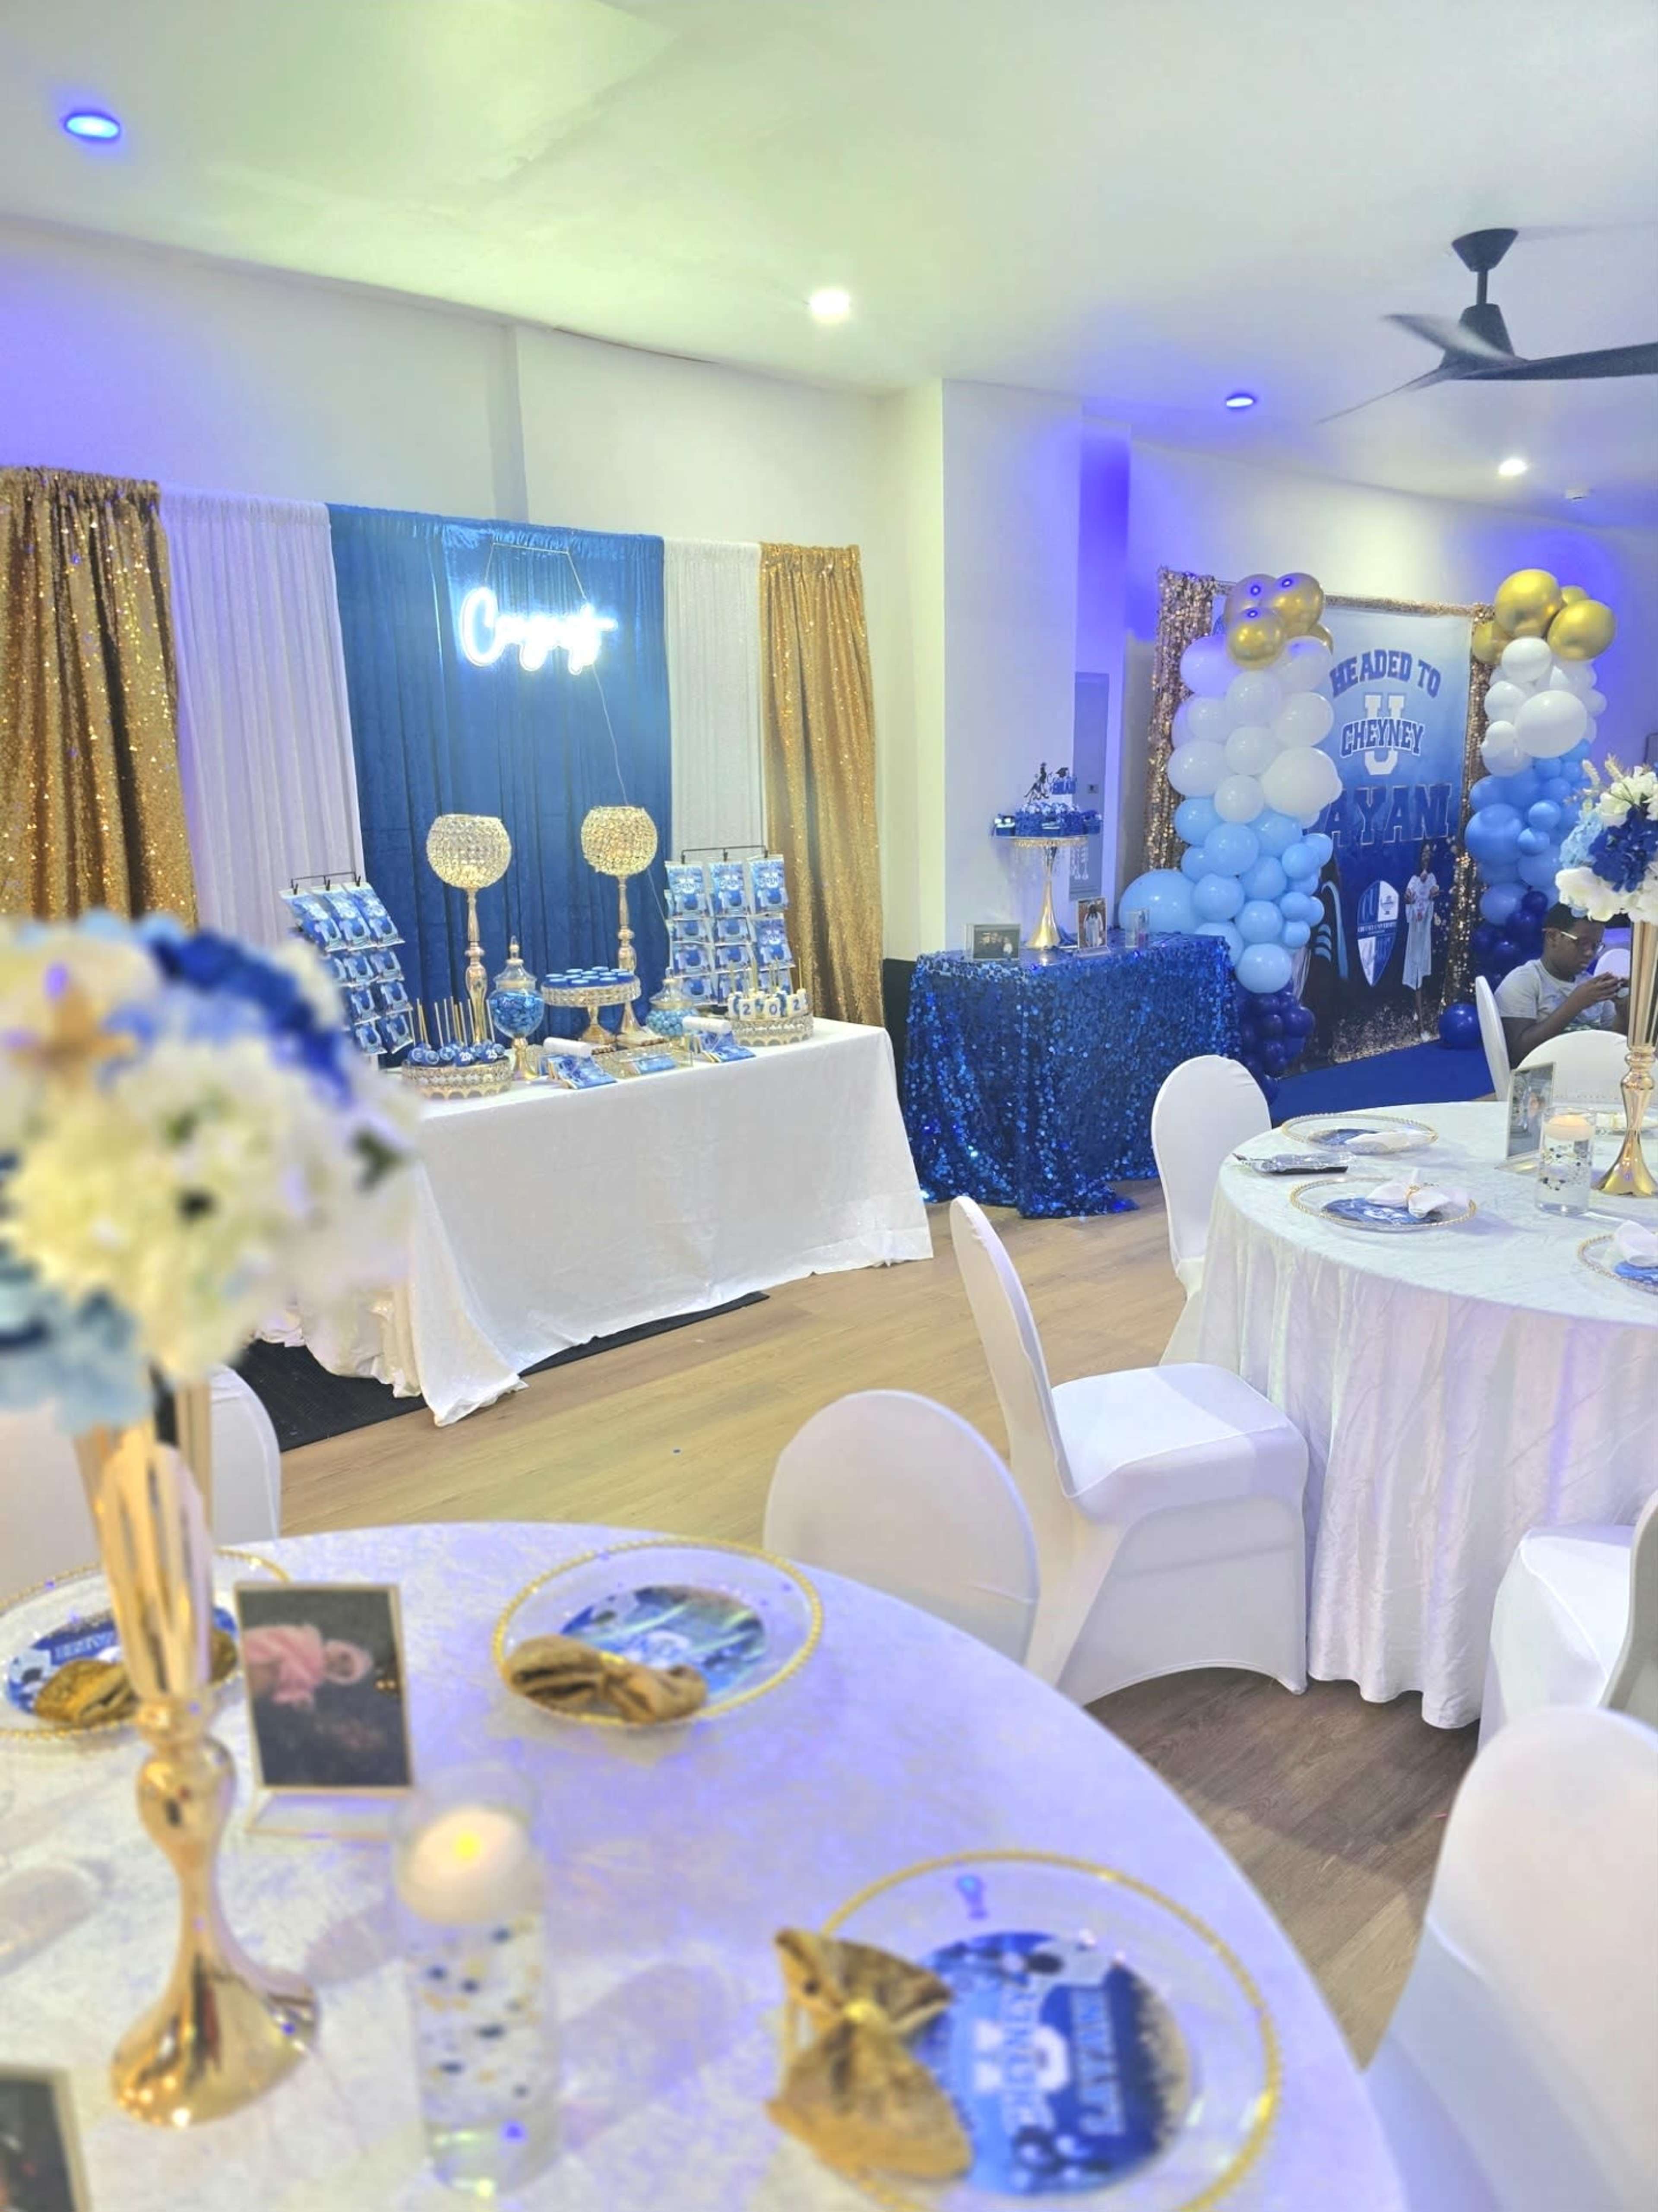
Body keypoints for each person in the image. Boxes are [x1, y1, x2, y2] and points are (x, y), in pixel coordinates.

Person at [1494, 903, 1627, 1068]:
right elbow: (1518, 1056)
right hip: (1544, 1086)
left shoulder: (1591, 985)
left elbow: (1614, 1047)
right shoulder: (1524, 981)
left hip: (1591, 1076)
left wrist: (1623, 1012)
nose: (1589, 953)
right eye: (1582, 943)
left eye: (1595, 945)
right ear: (1552, 937)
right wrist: (1576, 1004)